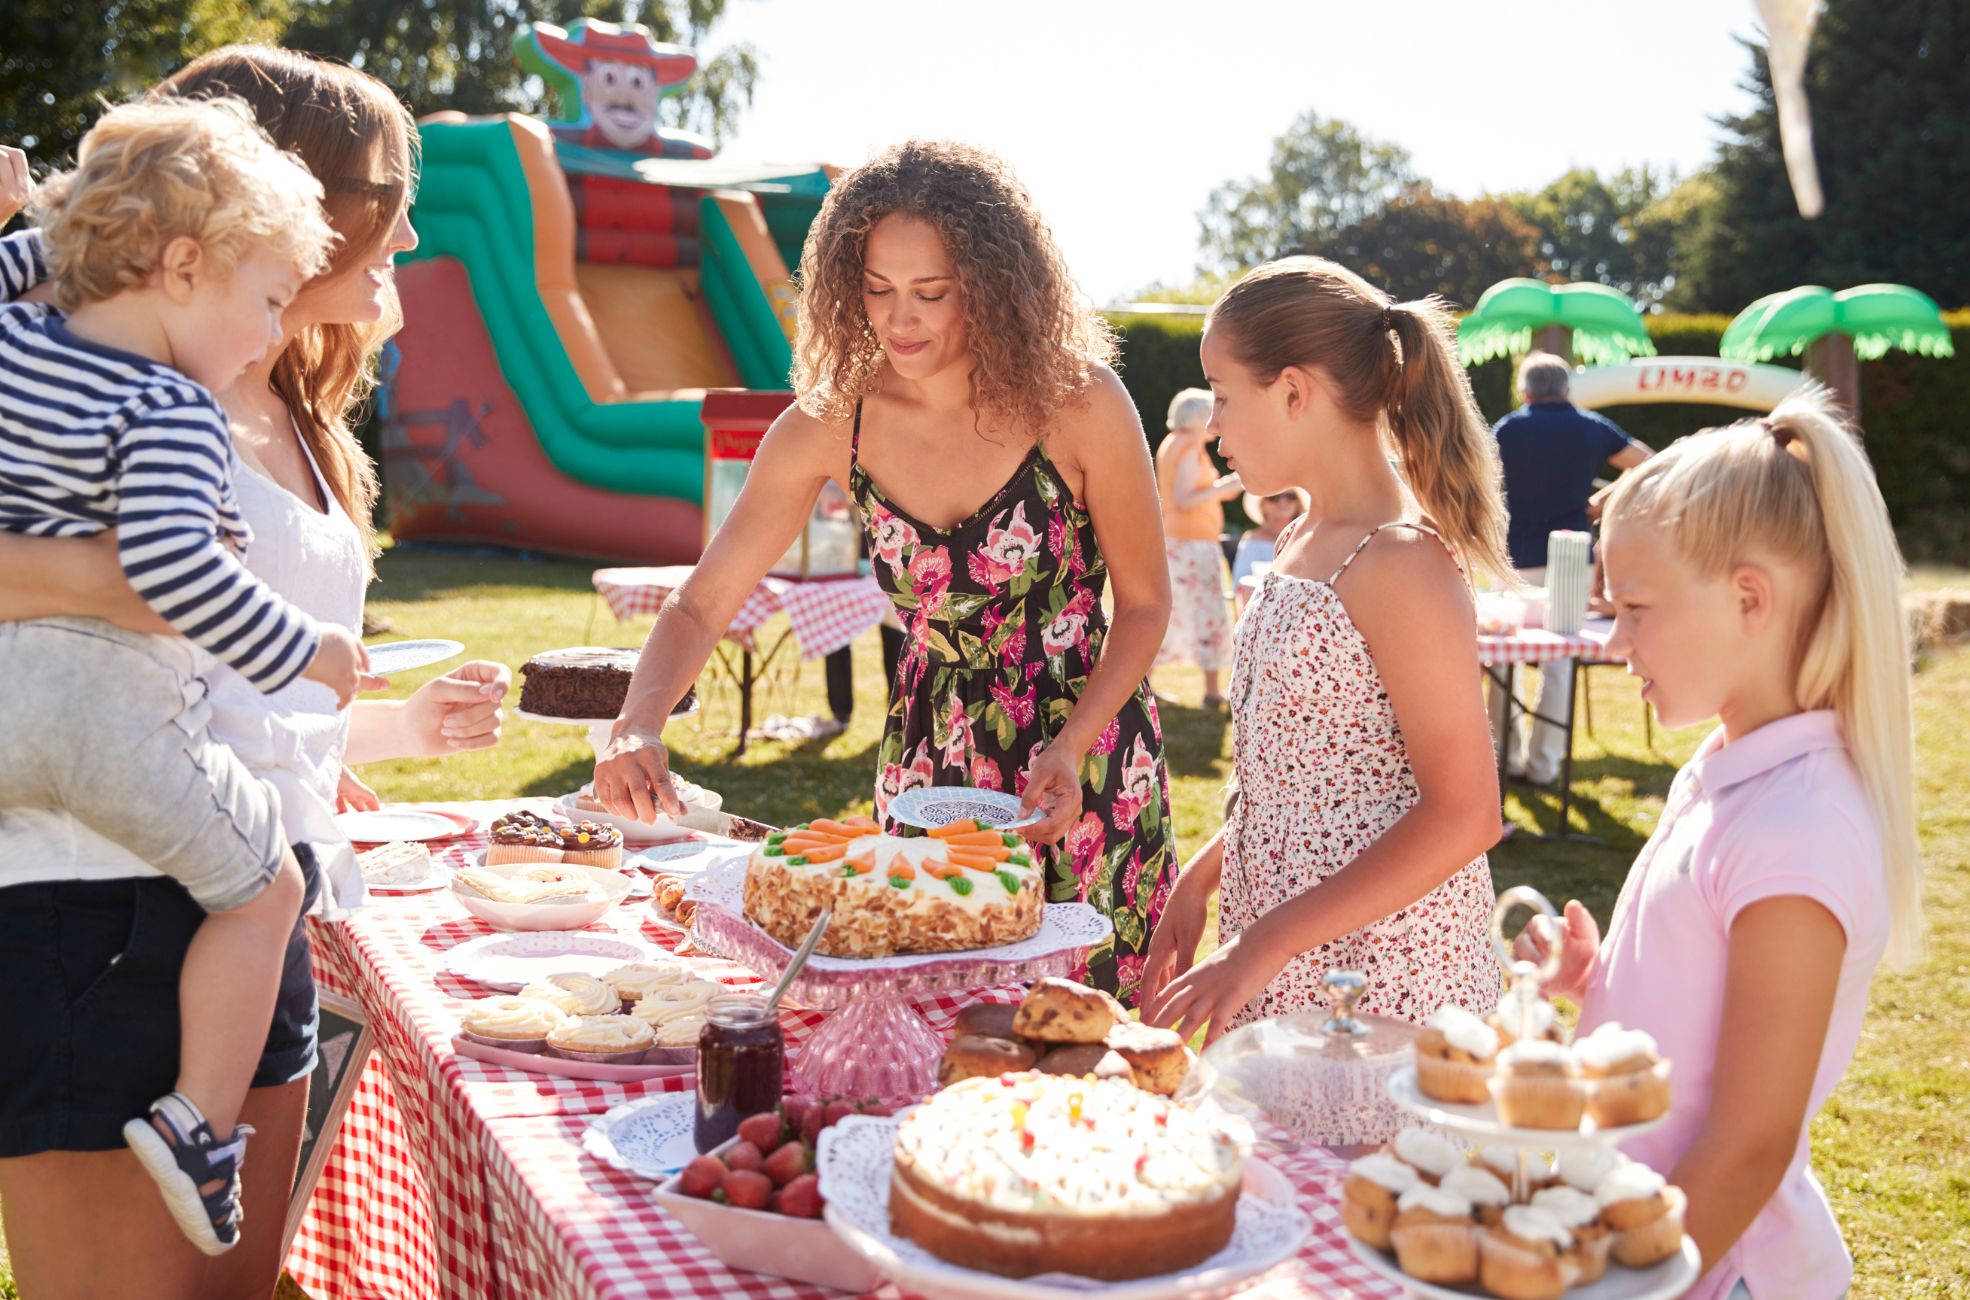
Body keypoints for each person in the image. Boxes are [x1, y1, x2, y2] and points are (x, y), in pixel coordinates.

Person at [0, 46, 510, 1300]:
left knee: (236, 1283)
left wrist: (371, 735)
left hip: (249, 887)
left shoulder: (280, 398)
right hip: (97, 896)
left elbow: (266, 697)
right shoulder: (118, 368)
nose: (409, 231)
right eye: (387, 201)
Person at [594, 140, 1177, 996]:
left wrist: (1073, 742)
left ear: (993, 283)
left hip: (1085, 754)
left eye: (931, 293)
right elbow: (700, 603)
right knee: (922, 1030)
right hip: (925, 764)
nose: (900, 320)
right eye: (877, 291)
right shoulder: (829, 424)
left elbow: (1147, 605)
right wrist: (636, 723)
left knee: (1093, 1032)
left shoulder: (1079, 402)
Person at [0, 98, 357, 1255]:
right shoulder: (170, 406)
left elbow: (37, 257)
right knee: (262, 889)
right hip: (103, 784)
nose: (269, 335)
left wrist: (43, 223)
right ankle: (194, 1128)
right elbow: (166, 570)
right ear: (184, 263)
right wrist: (306, 651)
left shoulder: (17, 336)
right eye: (264, 305)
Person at [1520, 388, 1917, 1300]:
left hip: (1705, 1267)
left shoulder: (1799, 831)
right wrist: (1603, 988)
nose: (1615, 640)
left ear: (1749, 598)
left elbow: (1749, 1144)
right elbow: (1706, 1017)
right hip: (1642, 1225)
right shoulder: (1733, 762)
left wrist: (1610, 1287)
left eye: (1638, 608)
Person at [1142, 257, 1508, 1060]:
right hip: (1284, 950)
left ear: (1295, 392)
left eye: (1225, 396)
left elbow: (1466, 814)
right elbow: (1299, 779)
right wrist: (1202, 878)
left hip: (1382, 980)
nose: (1214, 426)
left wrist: (1264, 943)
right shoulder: (1300, 539)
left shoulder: (1400, 562)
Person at [1489, 351, 1651, 783]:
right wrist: (1602, 501)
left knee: (1505, 661)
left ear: (1525, 390)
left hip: (1513, 555)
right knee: (1560, 659)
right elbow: (1649, 463)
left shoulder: (1506, 429)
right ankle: (1545, 766)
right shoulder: (1591, 426)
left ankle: (1506, 759)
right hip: (1570, 557)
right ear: (1566, 388)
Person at [1153, 387, 1241, 708]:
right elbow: (1184, 499)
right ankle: (1212, 691)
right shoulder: (1189, 446)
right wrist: (1224, 487)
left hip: (1179, 541)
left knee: (1172, 613)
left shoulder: (1172, 444)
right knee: (1207, 611)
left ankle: (1148, 684)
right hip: (1191, 544)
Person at [1231, 486, 1307, 586]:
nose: (1283, 501)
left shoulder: (1305, 538)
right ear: (1262, 505)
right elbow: (1240, 581)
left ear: (1298, 503)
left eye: (1290, 497)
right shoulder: (1253, 539)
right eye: (1274, 497)